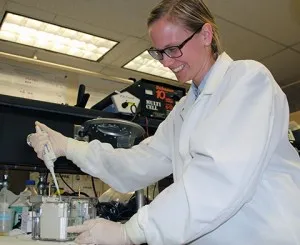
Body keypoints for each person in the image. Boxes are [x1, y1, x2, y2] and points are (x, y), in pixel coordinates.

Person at [28, 0, 300, 244]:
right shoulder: (186, 109)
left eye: (173, 49)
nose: (167, 63)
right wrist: (69, 147)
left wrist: (130, 232)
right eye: (158, 53)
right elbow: (139, 162)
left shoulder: (247, 80)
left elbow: (217, 179)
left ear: (206, 34)